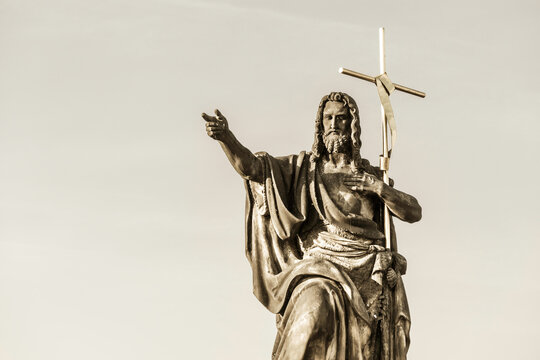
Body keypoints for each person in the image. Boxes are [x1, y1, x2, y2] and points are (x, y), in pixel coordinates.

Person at [202, 92, 422, 360]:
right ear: (320, 125)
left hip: (367, 273)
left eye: (341, 118)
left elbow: (413, 212)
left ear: (352, 125)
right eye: (328, 118)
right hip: (320, 266)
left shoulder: (372, 175)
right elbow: (253, 168)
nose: (334, 124)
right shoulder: (304, 169)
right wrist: (227, 138)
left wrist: (379, 188)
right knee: (314, 312)